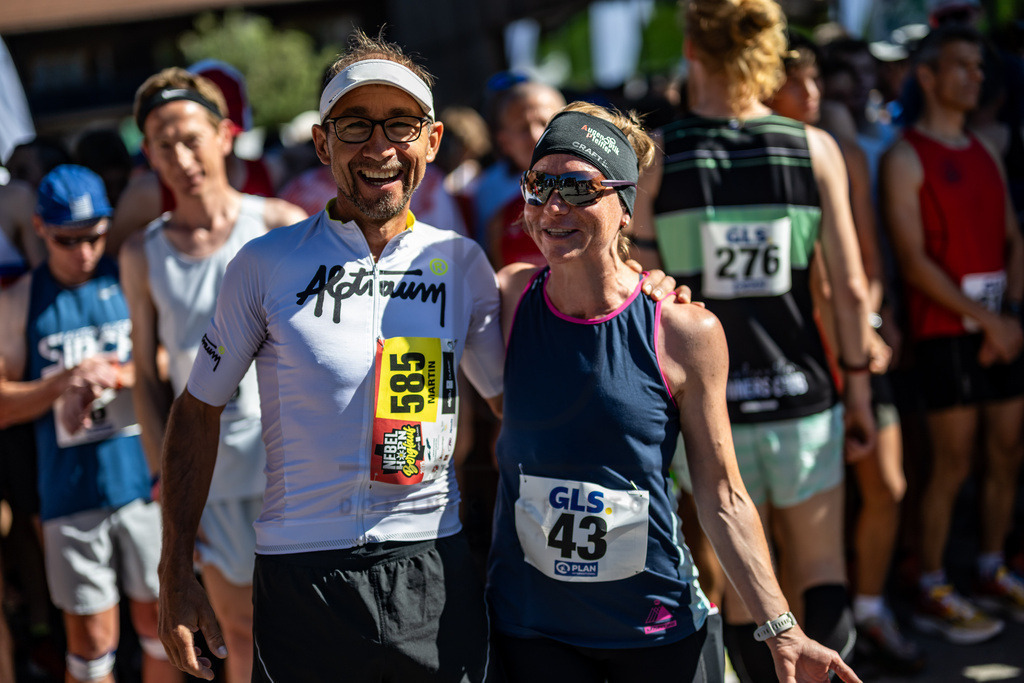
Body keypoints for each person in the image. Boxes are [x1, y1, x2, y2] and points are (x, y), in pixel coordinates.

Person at [153, 32, 507, 683]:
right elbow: (197, 410)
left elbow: (514, 413)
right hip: (301, 576)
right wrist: (173, 570)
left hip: (431, 561)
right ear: (322, 143)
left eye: (400, 124)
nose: (379, 148)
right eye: (355, 125)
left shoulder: (460, 264)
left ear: (431, 140)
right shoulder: (264, 264)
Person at [488, 101, 861, 683]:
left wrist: (781, 627)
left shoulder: (685, 332)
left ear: (625, 206)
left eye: (579, 188)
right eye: (539, 186)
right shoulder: (508, 298)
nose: (553, 207)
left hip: (653, 624)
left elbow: (722, 494)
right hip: (533, 627)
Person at [631, 1, 876, 679]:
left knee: (747, 588)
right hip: (804, 395)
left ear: (690, 46)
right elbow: (850, 289)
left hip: (710, 412)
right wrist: (859, 392)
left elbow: (646, 291)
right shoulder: (813, 146)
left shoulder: (658, 158)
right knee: (821, 570)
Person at [118, 67, 305, 683]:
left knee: (310, 625)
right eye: (161, 143)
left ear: (225, 134)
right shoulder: (144, 252)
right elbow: (147, 378)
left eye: (189, 137)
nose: (179, 155)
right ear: (147, 154)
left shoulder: (278, 223)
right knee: (239, 632)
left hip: (293, 462)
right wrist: (163, 480)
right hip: (212, 470)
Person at [768, 40, 925, 674]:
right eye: (798, 84)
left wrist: (870, 325)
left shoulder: (840, 152)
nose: (811, 97)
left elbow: (864, 261)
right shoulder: (751, 153)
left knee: (886, 484)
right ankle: (794, 639)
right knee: (786, 515)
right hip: (790, 355)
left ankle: (869, 608)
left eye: (815, 83)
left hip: (853, 348)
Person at [0, 164, 180, 683]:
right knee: (92, 644)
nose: (83, 252)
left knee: (159, 629)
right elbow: (3, 403)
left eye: (95, 237)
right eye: (67, 240)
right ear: (40, 229)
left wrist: (122, 374)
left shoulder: (127, 274)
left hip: (143, 484)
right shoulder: (19, 303)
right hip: (70, 494)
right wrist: (64, 380)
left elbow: (175, 357)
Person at [881, 24, 1024, 644]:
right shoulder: (905, 154)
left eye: (980, 67)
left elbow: (1016, 238)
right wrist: (990, 320)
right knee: (950, 462)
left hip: (1001, 329)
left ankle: (991, 568)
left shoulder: (987, 147)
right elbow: (913, 261)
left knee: (1006, 452)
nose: (977, 77)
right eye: (963, 66)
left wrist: (1009, 314)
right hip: (944, 331)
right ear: (930, 77)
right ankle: (932, 582)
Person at [108, 60, 278, 257]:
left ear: (223, 136)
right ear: (149, 152)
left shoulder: (272, 179)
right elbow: (107, 264)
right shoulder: (145, 193)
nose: (182, 160)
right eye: (165, 145)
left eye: (193, 140)